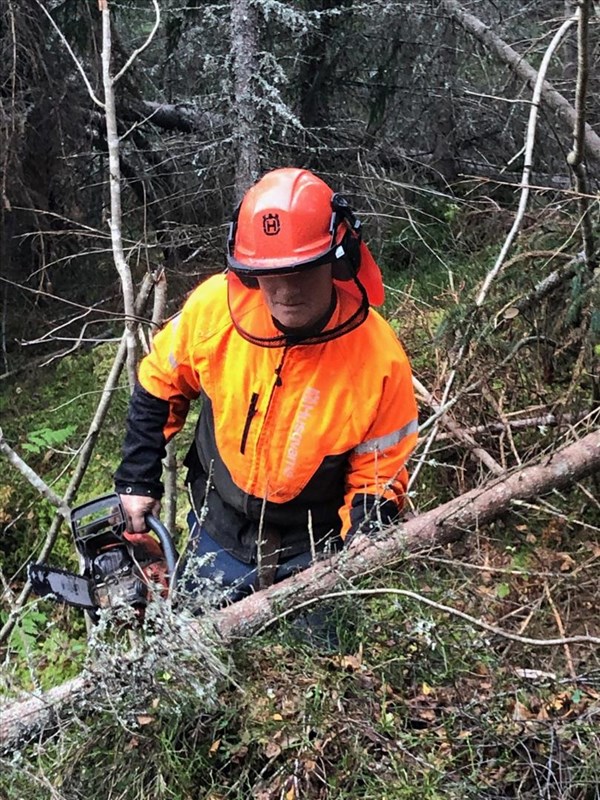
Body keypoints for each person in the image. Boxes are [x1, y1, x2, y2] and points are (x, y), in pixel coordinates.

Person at [114, 167, 418, 603]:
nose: (285, 289)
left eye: (301, 270)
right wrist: (137, 480)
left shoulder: (377, 357)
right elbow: (160, 384)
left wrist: (363, 544)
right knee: (201, 652)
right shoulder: (215, 310)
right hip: (217, 529)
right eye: (270, 273)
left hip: (315, 549)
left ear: (336, 260)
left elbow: (380, 472)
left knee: (312, 666)